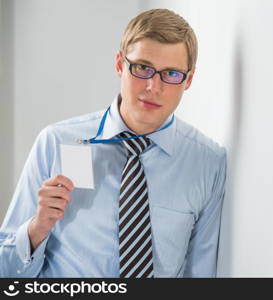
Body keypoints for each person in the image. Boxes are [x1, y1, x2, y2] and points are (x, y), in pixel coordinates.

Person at [0, 8, 227, 278]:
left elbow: (201, 276)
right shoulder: (56, 143)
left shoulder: (207, 162)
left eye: (171, 74)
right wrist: (36, 229)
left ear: (188, 80)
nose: (154, 86)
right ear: (120, 64)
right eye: (143, 67)